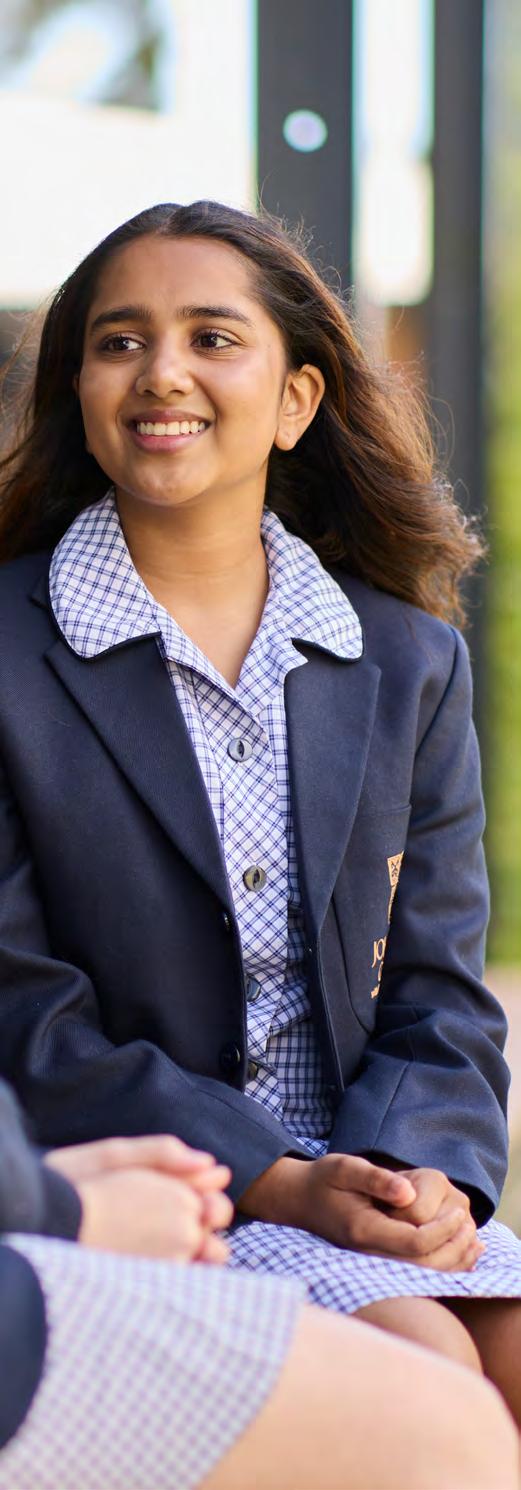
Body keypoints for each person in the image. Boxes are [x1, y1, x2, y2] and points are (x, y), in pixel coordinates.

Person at [0, 199, 520, 1424]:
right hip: (137, 1181)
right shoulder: (9, 656)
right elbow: (23, 1012)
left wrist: (419, 1175)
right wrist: (278, 1178)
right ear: (78, 389)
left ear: (295, 399)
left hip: (360, 1175)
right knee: (428, 1381)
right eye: (119, 341)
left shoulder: (406, 659)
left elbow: (439, 990)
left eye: (211, 337)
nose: (161, 371)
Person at [3, 1077, 517, 1490]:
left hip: (373, 1156)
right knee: (437, 1406)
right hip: (212, 1171)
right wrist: (67, 1205)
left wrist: (404, 1177)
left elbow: (446, 1011)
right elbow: (41, 1026)